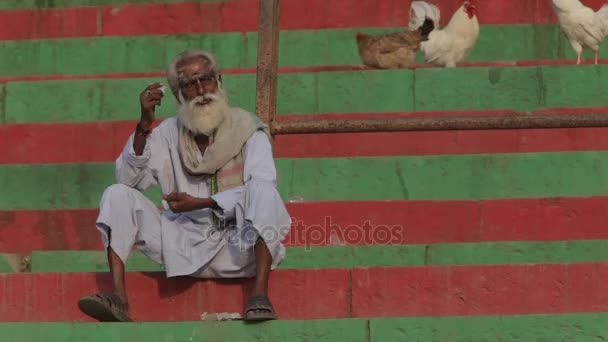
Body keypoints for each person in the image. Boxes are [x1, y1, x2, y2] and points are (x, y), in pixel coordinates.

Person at [77, 49, 291, 322]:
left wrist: (203, 203)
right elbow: (129, 181)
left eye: (207, 80)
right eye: (190, 85)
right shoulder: (166, 133)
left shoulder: (247, 128)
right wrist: (144, 126)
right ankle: (119, 299)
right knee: (116, 195)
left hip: (238, 248)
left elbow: (263, 185)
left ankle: (259, 297)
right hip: (181, 246)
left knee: (263, 191)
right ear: (178, 95)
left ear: (219, 81)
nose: (202, 91)